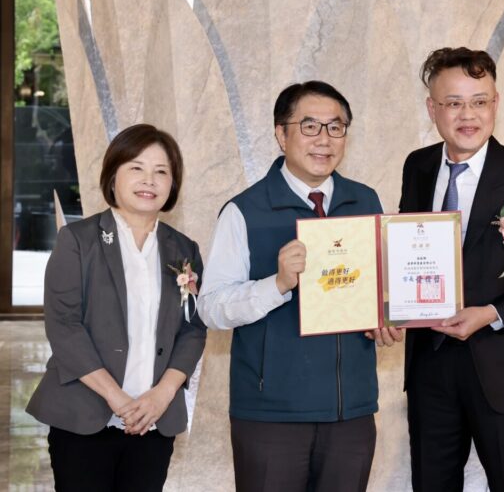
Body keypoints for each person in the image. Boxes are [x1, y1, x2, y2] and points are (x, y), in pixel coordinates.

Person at [198, 80, 402, 492]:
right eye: (309, 126)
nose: (324, 139)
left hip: (351, 411)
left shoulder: (366, 202)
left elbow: (377, 290)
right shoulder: (244, 211)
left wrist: (386, 319)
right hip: (271, 416)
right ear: (281, 134)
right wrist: (276, 284)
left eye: (336, 127)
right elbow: (212, 308)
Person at [399, 47, 504, 492]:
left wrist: (491, 313)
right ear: (432, 109)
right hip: (430, 364)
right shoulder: (418, 166)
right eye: (454, 103)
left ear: (496, 104)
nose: (468, 115)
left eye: (479, 101)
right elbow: (405, 253)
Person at [26, 124, 207, 491]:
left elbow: (193, 328)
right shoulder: (77, 240)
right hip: (84, 418)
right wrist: (118, 399)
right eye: (136, 167)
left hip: (154, 421)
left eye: (161, 171)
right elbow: (64, 326)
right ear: (113, 176)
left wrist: (162, 395)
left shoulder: (183, 249)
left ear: (173, 184)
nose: (149, 180)